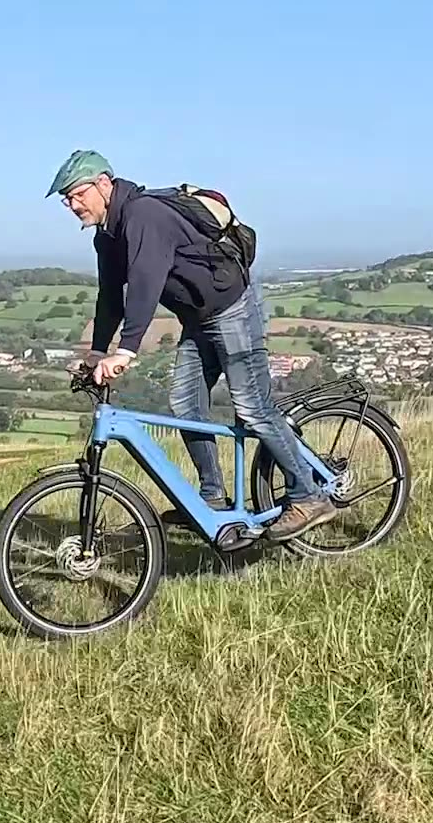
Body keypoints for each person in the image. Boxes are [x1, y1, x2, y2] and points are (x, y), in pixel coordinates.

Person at [47, 149, 337, 541]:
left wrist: (126, 350)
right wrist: (98, 349)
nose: (71, 204)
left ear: (103, 184)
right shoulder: (108, 236)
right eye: (66, 199)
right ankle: (212, 498)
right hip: (198, 318)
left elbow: (146, 284)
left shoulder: (143, 217)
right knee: (186, 403)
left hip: (231, 309)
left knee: (252, 408)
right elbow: (111, 296)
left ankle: (308, 495)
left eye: (76, 194)